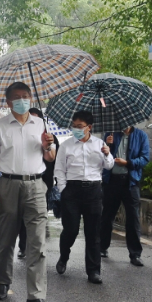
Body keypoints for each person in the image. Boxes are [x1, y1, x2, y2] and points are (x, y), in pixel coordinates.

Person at [0, 82, 57, 302]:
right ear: (8, 102)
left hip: (36, 185)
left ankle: (35, 295)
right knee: (6, 238)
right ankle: (4, 281)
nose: (22, 100)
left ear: (31, 98)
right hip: (8, 184)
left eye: (26, 96)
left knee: (37, 242)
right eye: (17, 97)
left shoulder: (41, 124)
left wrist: (49, 145)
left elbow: (50, 157)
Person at [53, 111, 113, 284]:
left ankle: (93, 271)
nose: (76, 130)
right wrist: (63, 189)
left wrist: (108, 153)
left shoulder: (100, 144)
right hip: (72, 190)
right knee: (70, 229)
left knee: (93, 233)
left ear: (89, 127)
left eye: (80, 127)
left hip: (93, 191)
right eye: (74, 126)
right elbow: (59, 169)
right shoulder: (66, 145)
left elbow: (109, 166)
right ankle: (64, 256)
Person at [99, 125, 150, 266]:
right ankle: (102, 248)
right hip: (111, 181)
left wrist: (128, 163)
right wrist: (107, 145)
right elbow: (103, 158)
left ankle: (135, 254)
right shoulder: (111, 133)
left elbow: (145, 158)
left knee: (133, 218)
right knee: (107, 215)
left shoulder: (141, 136)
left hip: (130, 182)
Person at [21, 108, 60, 259]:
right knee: (25, 217)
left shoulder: (51, 138)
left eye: (37, 119)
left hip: (44, 183)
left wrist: (47, 145)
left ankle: (38, 248)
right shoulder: (23, 138)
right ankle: (23, 247)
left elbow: (53, 159)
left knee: (39, 217)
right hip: (26, 181)